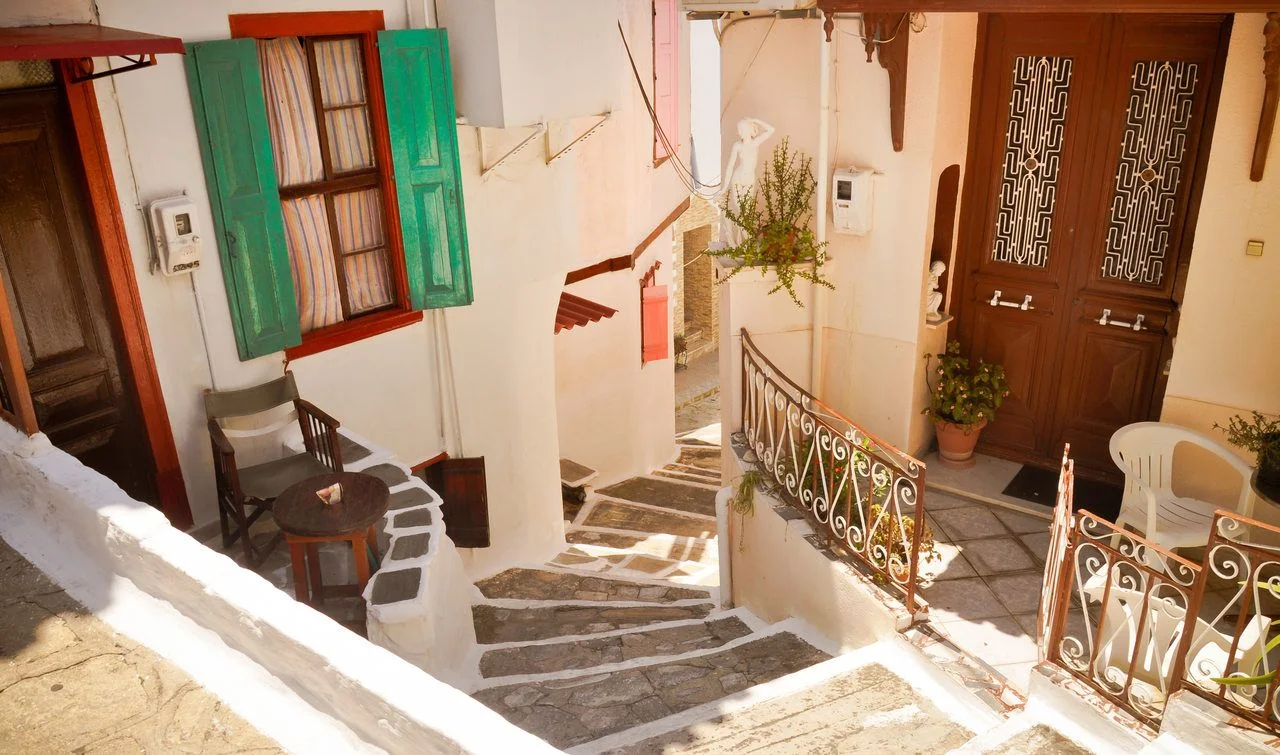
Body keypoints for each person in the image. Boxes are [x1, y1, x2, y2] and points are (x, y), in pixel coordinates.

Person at [717, 118, 775, 246]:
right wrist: (725, 187)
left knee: (746, 212)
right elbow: (730, 167)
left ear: (748, 130)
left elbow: (771, 130)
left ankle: (745, 243)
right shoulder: (737, 146)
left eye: (741, 129)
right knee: (742, 212)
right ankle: (745, 243)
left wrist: (755, 120)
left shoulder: (755, 143)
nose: (739, 133)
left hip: (749, 180)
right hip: (738, 180)